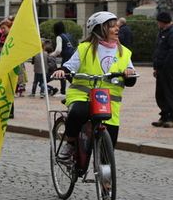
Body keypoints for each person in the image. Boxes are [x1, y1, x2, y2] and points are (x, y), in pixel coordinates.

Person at [52, 11, 137, 162]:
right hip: (82, 95)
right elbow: (70, 66)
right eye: (111, 26)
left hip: (109, 101)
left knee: (109, 143)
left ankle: (106, 179)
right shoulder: (85, 48)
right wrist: (62, 70)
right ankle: (70, 143)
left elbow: (130, 78)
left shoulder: (124, 52)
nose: (117, 29)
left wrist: (129, 75)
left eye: (117, 25)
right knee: (78, 112)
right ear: (100, 29)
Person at [151, 11, 173, 129]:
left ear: (163, 22)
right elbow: (158, 50)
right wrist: (156, 66)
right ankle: (164, 115)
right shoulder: (162, 32)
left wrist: (165, 65)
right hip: (160, 68)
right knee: (160, 93)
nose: (158, 24)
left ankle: (172, 117)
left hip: (167, 68)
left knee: (168, 92)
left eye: (159, 22)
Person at [49, 21, 74, 95]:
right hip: (73, 56)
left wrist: (51, 55)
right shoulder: (68, 35)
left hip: (66, 57)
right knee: (69, 74)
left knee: (63, 73)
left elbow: (58, 50)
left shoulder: (59, 37)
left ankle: (64, 91)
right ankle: (64, 90)